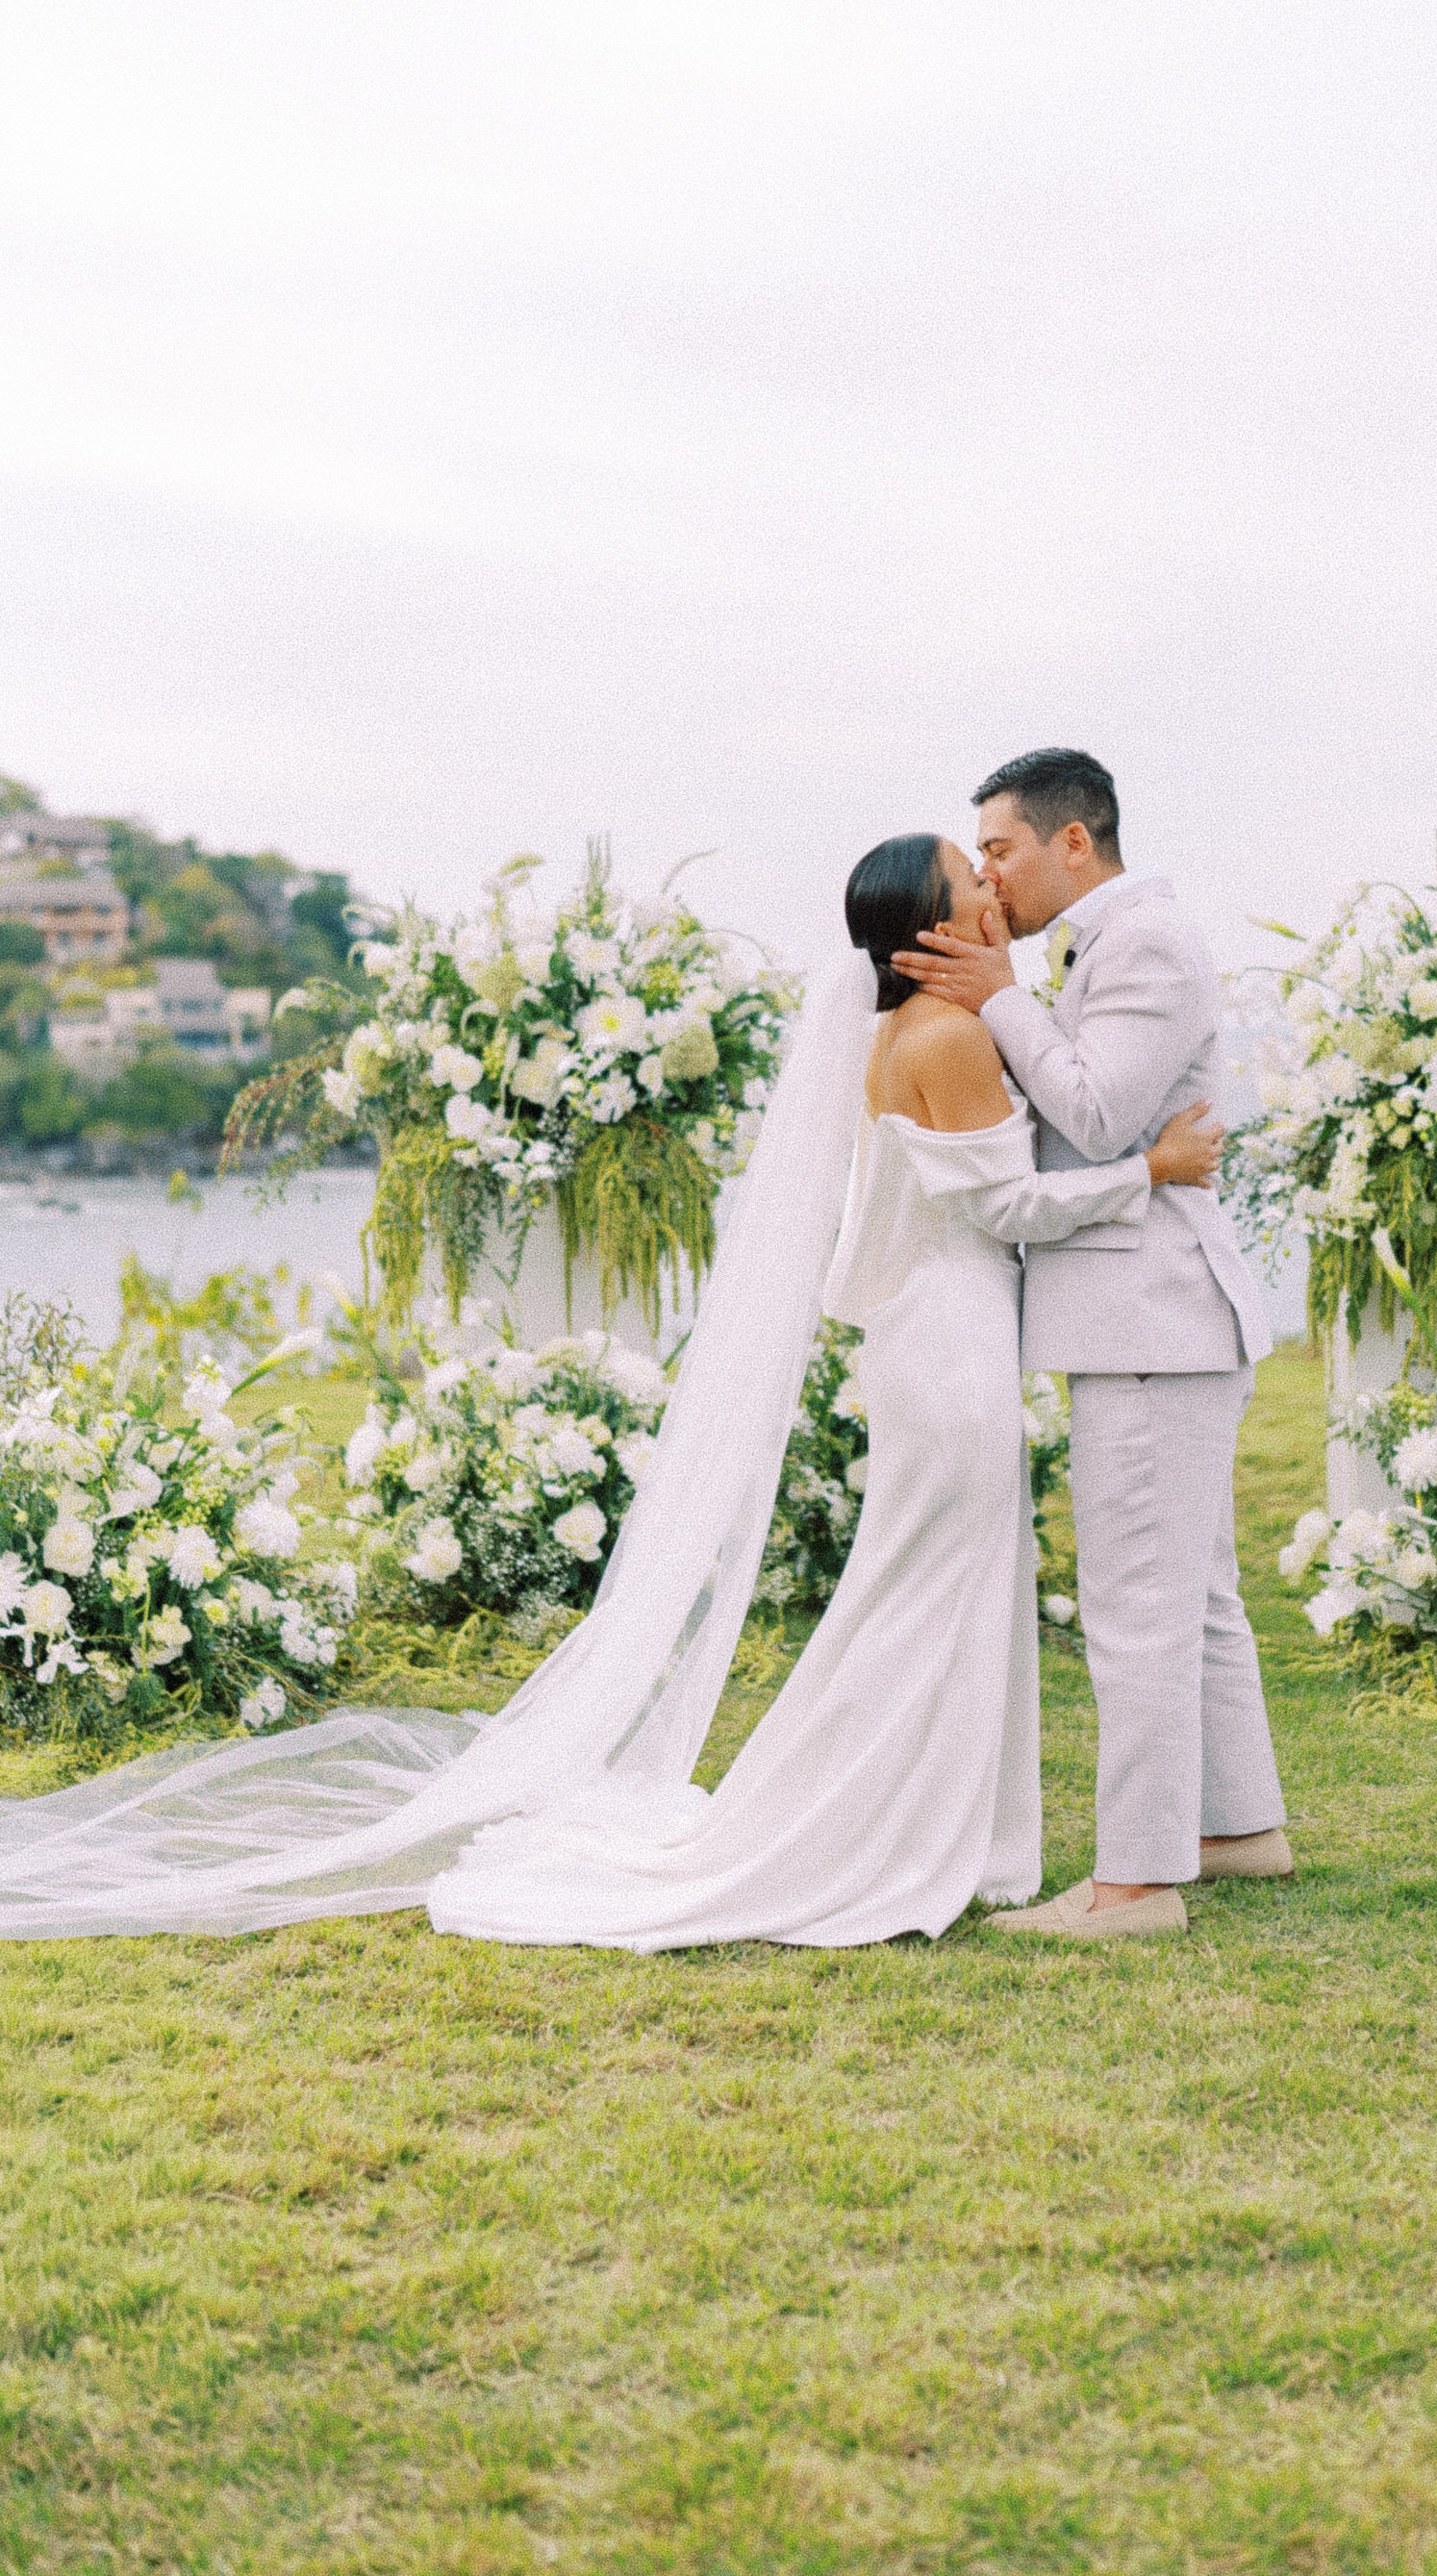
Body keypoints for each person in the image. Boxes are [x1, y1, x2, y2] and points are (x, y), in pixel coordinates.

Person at [0, 835, 1221, 1952]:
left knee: (939, 1593)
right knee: (920, 1597)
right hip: (949, 1350)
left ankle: (948, 1834)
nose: (995, 892)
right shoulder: (944, 1040)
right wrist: (1149, 1172)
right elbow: (1002, 1207)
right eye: (974, 884)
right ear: (926, 937)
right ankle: (866, 1834)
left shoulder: (914, 1034)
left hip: (937, 1340)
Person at [893, 749, 1291, 1940]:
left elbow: (1102, 1111)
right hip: (1152, 1314)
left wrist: (994, 999)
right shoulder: (1099, 945)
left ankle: (1134, 1884)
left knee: (1137, 1610)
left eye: (1001, 850)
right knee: (1198, 1594)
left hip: (1149, 1321)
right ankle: (1236, 1830)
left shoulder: (1146, 940)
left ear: (1077, 841)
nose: (992, 882)